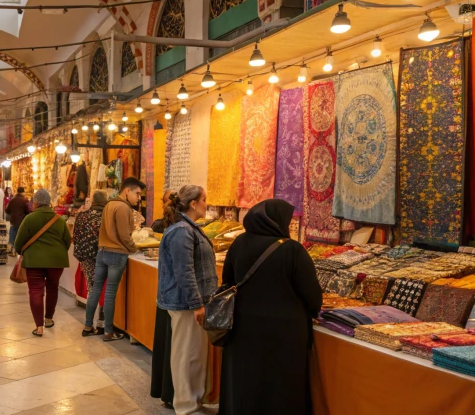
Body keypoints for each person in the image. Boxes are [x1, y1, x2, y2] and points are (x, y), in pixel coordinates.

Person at [218, 199, 322, 415]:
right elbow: (312, 296)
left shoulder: (239, 243)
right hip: (284, 334)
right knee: (280, 386)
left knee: (245, 380)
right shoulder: (292, 250)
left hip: (242, 327)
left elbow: (227, 281)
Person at [156, 185, 217, 415]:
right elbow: (185, 272)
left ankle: (194, 400)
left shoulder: (188, 228)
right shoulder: (182, 231)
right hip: (186, 304)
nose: (206, 204)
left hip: (193, 302)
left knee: (195, 354)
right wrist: (196, 304)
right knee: (185, 354)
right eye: (204, 199)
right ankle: (185, 405)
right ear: (193, 204)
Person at [82, 177, 145, 341]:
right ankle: (108, 331)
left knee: (95, 290)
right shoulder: (123, 207)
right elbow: (125, 236)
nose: (138, 198)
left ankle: (88, 326)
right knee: (110, 293)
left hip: (102, 252)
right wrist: (134, 248)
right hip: (116, 253)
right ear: (127, 191)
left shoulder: (109, 204)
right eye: (137, 194)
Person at [14, 190, 72, 337]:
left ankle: (39, 327)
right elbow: (67, 240)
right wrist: (57, 253)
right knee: (53, 288)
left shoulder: (29, 219)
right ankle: (49, 319)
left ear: (35, 203)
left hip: (34, 261)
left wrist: (24, 252)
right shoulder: (59, 219)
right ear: (49, 202)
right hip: (56, 261)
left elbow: (18, 242)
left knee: (36, 291)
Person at [72, 191, 108, 329]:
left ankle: (88, 325)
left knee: (92, 289)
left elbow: (75, 235)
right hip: (103, 255)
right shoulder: (107, 216)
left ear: (92, 202)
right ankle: (101, 321)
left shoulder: (81, 215)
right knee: (105, 288)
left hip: (85, 257)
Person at [5, 187, 31, 256]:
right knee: (20, 236)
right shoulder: (25, 200)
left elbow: (7, 210)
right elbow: (29, 211)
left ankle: (12, 250)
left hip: (13, 221)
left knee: (12, 234)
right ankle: (19, 250)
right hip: (22, 221)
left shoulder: (12, 200)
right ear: (23, 192)